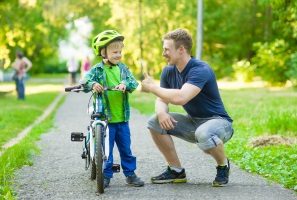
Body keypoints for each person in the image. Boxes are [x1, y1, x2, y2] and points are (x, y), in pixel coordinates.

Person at [141, 28, 234, 187]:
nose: (163, 53)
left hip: (219, 123)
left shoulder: (200, 69)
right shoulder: (168, 71)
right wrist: (162, 113)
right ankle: (176, 170)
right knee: (154, 122)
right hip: (194, 122)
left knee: (204, 134)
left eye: (166, 50)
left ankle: (223, 166)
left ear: (181, 50)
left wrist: (151, 87)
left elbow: (180, 97)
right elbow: (162, 99)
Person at [82, 30, 144, 188]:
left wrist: (125, 84)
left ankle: (130, 174)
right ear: (103, 52)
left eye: (120, 51)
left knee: (126, 149)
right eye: (114, 51)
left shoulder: (123, 69)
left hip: (122, 118)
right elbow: (85, 80)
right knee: (106, 151)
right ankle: (106, 175)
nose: (118, 54)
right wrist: (93, 84)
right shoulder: (97, 70)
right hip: (105, 119)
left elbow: (133, 82)